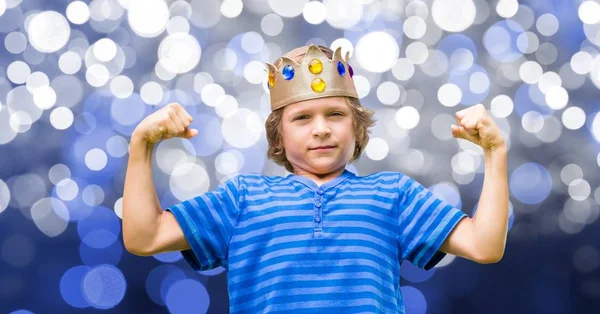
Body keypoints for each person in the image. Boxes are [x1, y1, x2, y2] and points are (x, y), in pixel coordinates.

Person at [122, 44, 509, 313]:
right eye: (302, 118)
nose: (321, 129)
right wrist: (141, 144)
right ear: (279, 135)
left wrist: (495, 154)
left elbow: (484, 244)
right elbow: (145, 236)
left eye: (335, 115)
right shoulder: (242, 198)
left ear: (357, 128)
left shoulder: (394, 195)